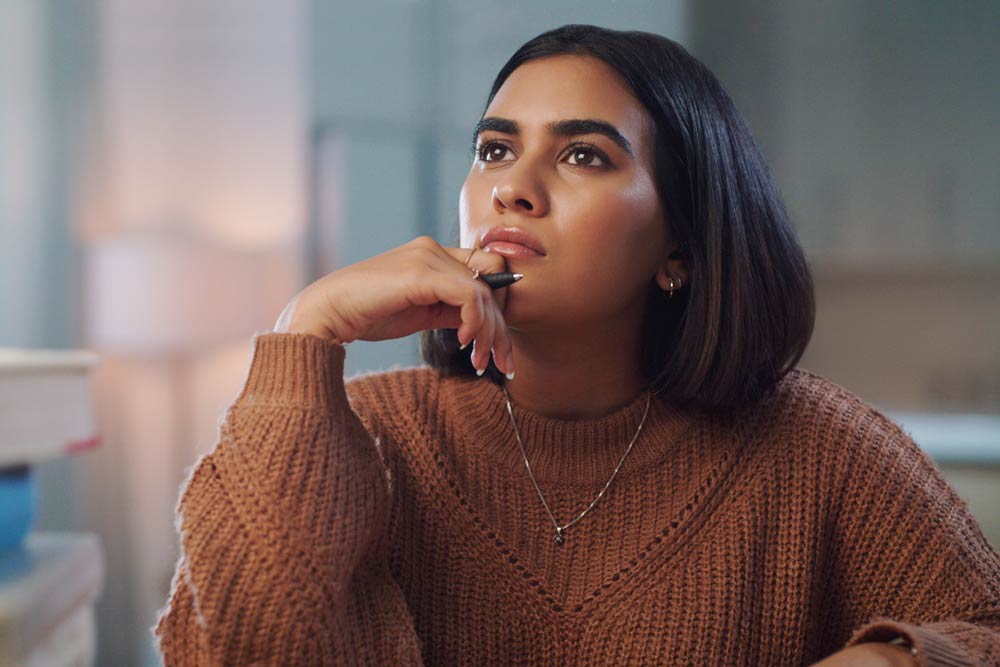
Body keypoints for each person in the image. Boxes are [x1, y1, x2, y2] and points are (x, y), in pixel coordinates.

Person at [153, 24, 1000, 666]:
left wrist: (899, 658)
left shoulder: (818, 449)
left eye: (584, 155)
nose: (512, 189)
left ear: (680, 248)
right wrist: (306, 327)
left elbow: (985, 627)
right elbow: (239, 646)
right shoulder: (364, 434)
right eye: (494, 148)